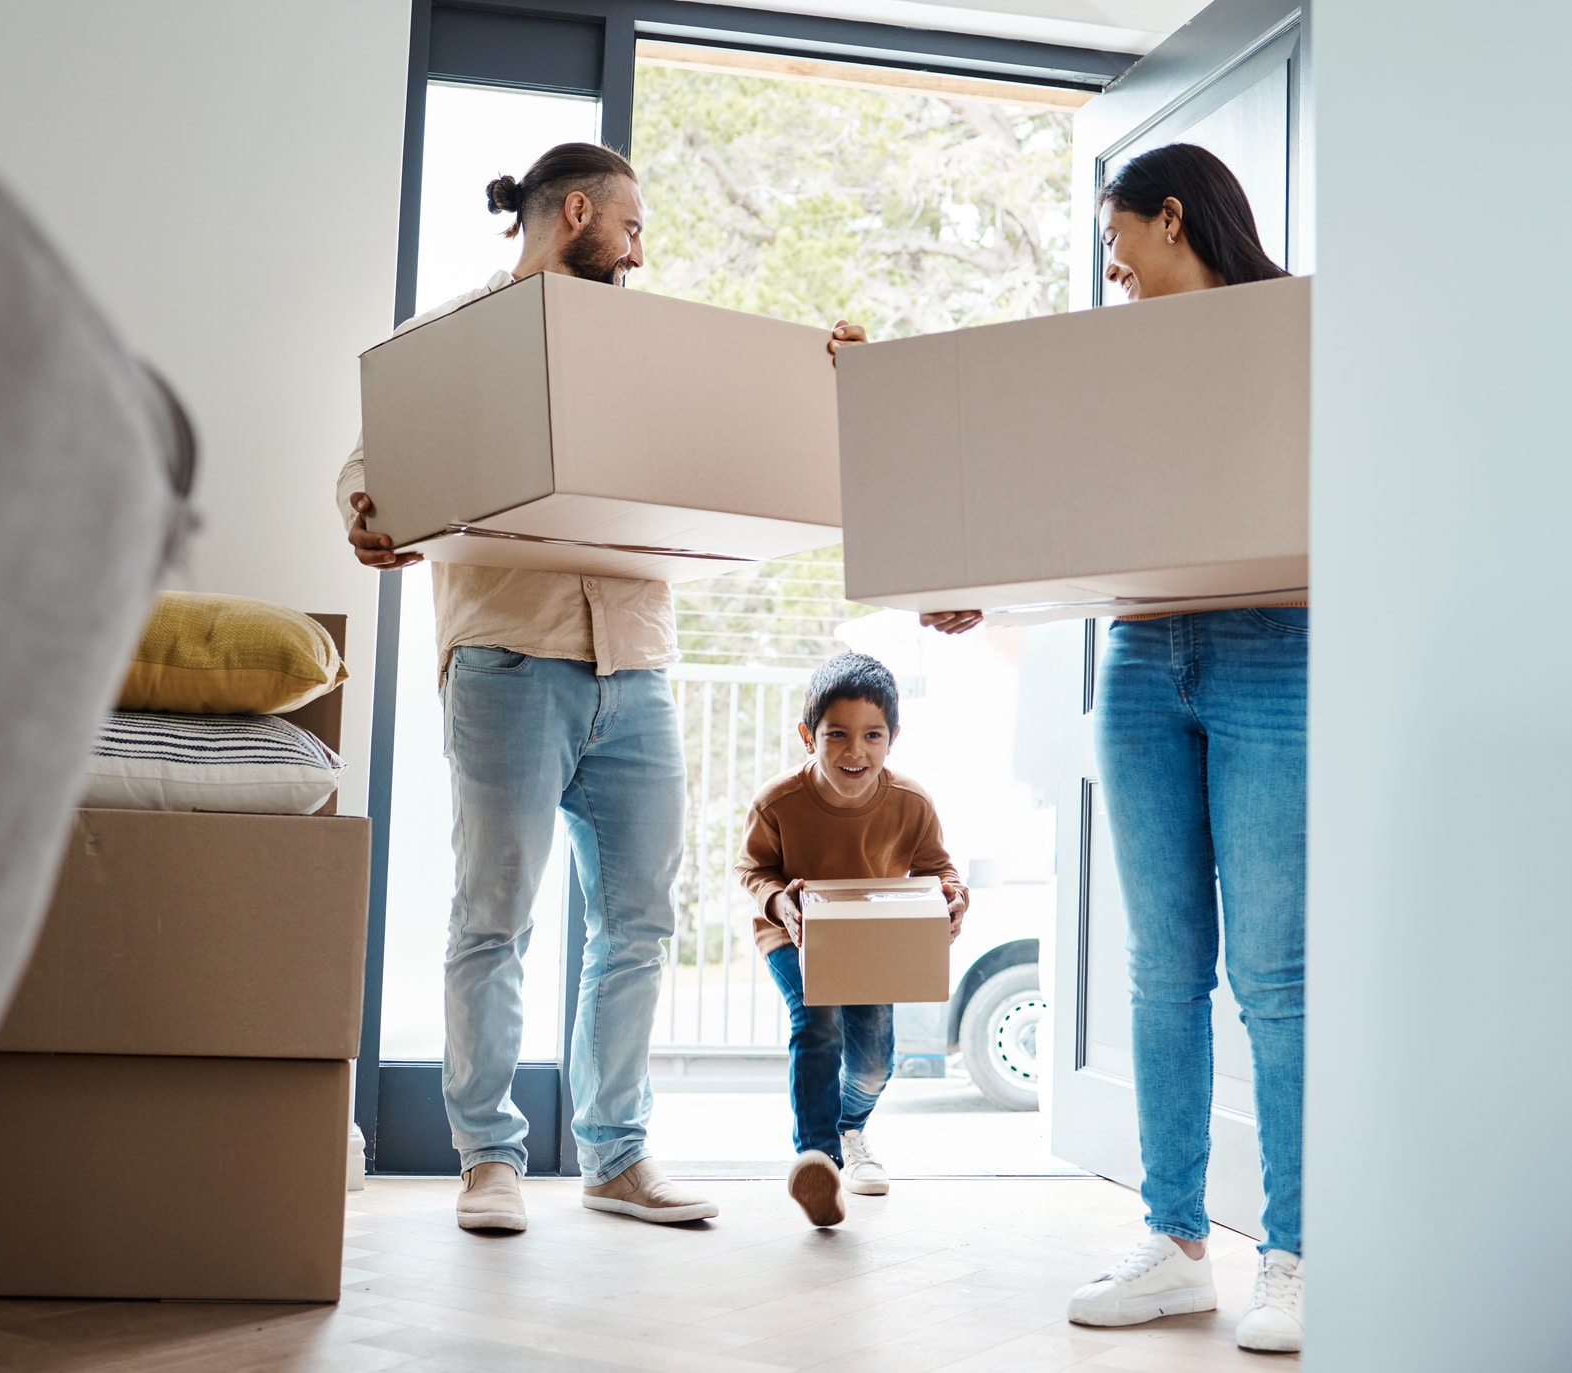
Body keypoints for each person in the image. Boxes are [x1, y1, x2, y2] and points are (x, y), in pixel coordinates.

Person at [831, 144, 1307, 1352]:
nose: (1115, 272)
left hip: (1277, 651)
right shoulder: (1108, 369)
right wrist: (977, 589)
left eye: (1120, 245)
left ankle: (1298, 1255)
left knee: (1274, 974)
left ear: (1174, 216)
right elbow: (1064, 512)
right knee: (1162, 970)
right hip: (1144, 659)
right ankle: (1179, 1243)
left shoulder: (1295, 337)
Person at [338, 143, 717, 1232]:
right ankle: (488, 1158)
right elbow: (367, 465)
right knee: (492, 917)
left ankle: (616, 1156)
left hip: (637, 662)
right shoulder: (454, 340)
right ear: (580, 214)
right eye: (632, 228)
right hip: (506, 655)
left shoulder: (651, 349)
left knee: (641, 918)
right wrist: (368, 512)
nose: (642, 249)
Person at [734, 652, 968, 1228]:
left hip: (871, 937)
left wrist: (954, 898)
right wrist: (779, 901)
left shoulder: (910, 803)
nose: (854, 751)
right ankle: (818, 1159)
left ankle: (849, 1126)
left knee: (872, 1062)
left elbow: (940, 869)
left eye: (871, 735)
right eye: (836, 735)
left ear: (893, 738)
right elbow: (752, 870)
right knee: (818, 1020)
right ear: (807, 736)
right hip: (794, 932)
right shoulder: (778, 801)